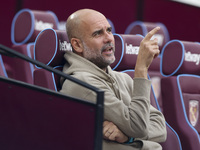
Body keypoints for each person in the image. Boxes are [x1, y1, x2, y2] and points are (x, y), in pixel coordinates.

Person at [60, 9, 167, 150]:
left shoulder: (123, 78)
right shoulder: (81, 83)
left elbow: (160, 127)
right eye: (98, 33)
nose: (109, 38)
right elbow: (139, 127)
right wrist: (141, 69)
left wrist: (128, 137)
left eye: (109, 31)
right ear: (77, 45)